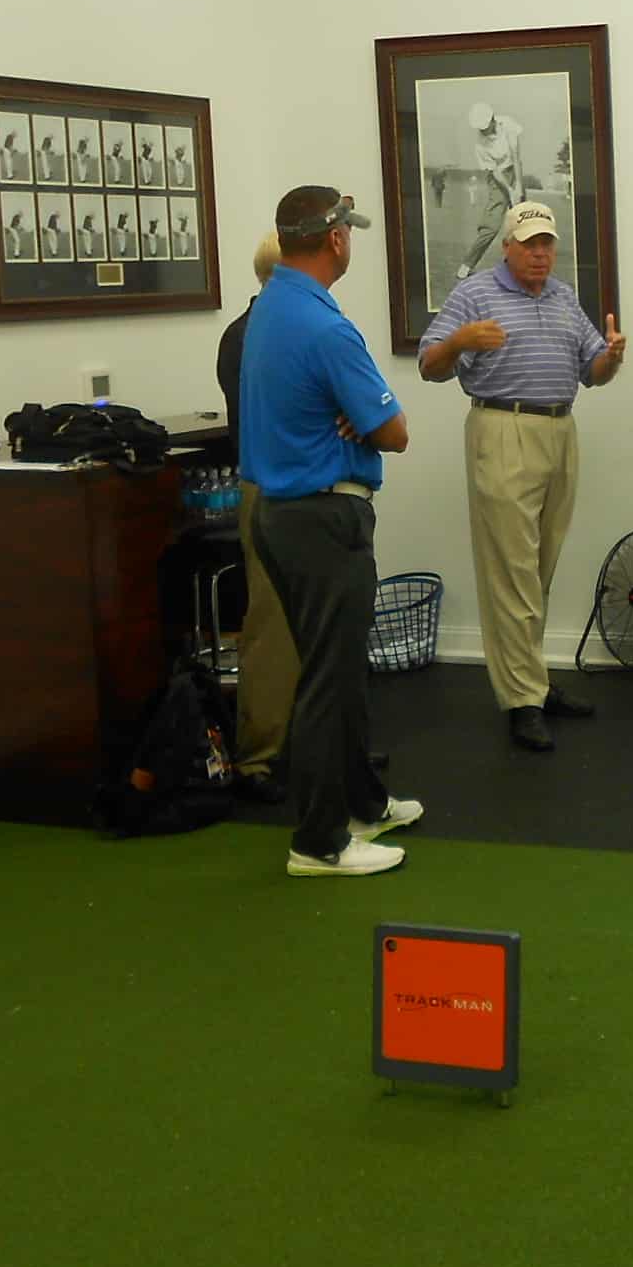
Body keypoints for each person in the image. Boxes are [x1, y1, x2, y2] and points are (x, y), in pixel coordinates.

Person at [238, 185, 422, 878]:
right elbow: (396, 432)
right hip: (322, 518)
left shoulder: (272, 310)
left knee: (335, 673)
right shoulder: (325, 328)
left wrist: (350, 413)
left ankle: (363, 804)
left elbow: (352, 412)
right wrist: (360, 416)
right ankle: (318, 842)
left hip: (283, 516)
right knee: (327, 678)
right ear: (337, 238)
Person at [420, 200, 626, 752]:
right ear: (507, 246)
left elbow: (593, 371)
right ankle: (522, 701)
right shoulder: (474, 295)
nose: (540, 254)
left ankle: (531, 680)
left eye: (547, 244)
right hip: (502, 428)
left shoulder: (562, 297)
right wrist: (462, 341)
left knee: (539, 569)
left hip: (560, 431)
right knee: (511, 574)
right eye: (530, 244)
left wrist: (612, 357)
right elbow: (429, 364)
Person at [218, 232, 293, 792]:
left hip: (300, 489)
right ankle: (258, 754)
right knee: (270, 626)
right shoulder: (249, 336)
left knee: (316, 625)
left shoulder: (283, 328)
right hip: (271, 490)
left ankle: (308, 738)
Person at [456, 102, 524, 281]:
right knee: (491, 226)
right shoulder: (480, 145)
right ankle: (467, 264)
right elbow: (495, 172)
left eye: (486, 127)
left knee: (522, 222)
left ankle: (517, 266)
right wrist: (510, 191)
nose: (484, 132)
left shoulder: (508, 124)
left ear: (493, 119)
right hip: (498, 179)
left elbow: (516, 156)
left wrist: (518, 186)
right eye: (481, 129)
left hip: (514, 171)